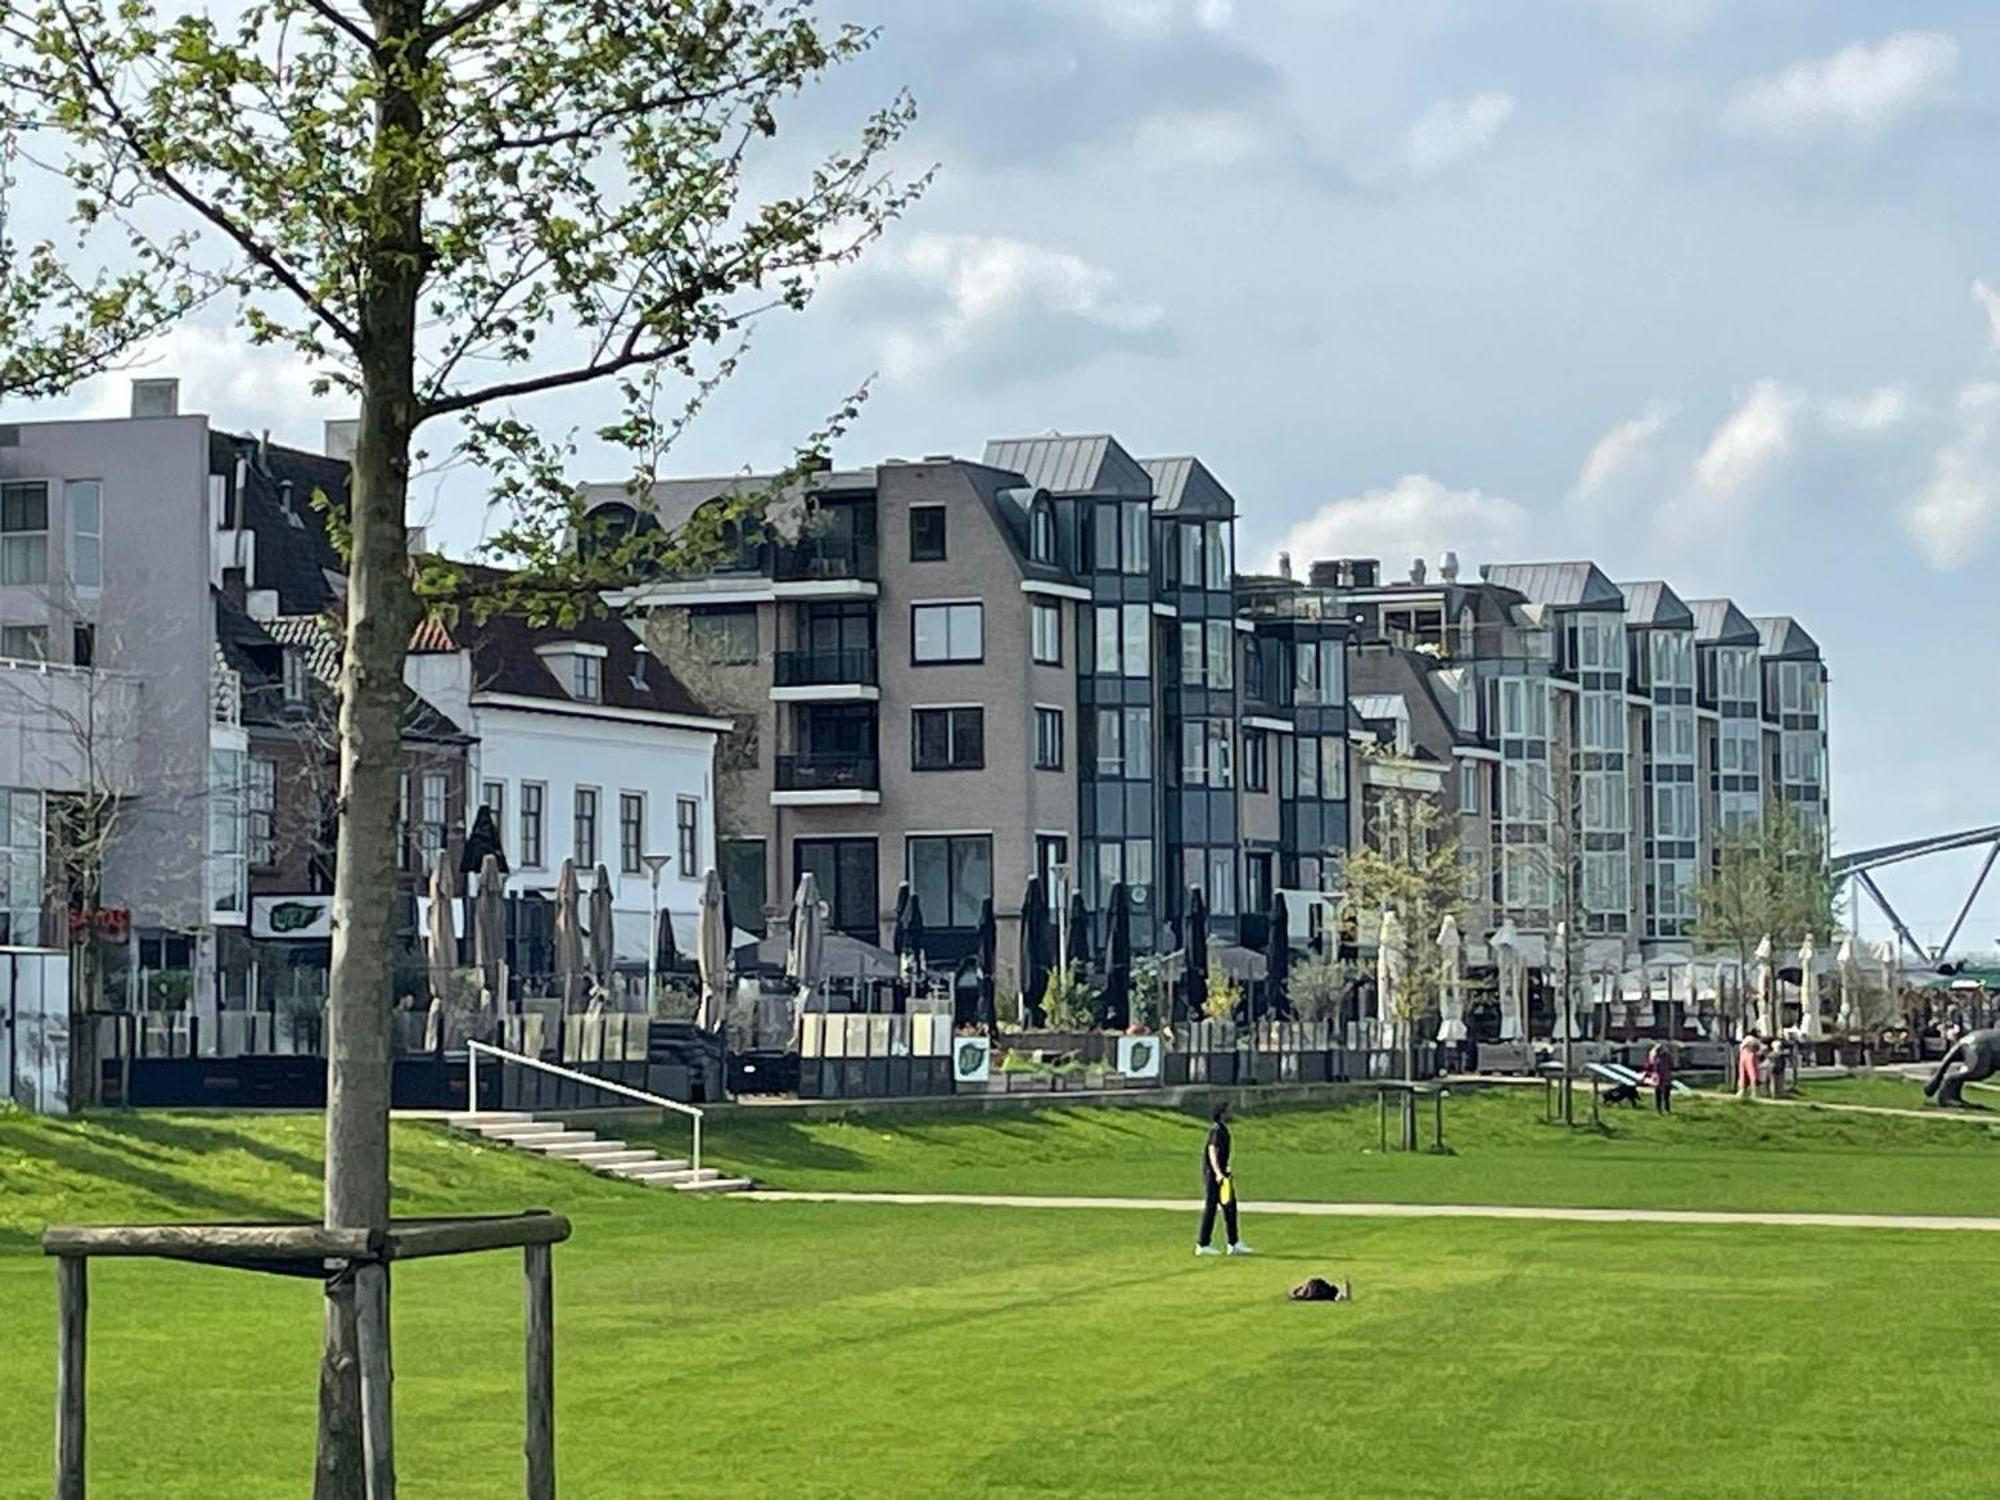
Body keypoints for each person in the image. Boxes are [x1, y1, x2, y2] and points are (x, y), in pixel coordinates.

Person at [1196, 1102, 1252, 1257]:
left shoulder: (1223, 1130)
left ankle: (1233, 1243)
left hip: (1222, 1175)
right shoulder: (1217, 1131)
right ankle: (1202, 1244)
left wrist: (1226, 1169)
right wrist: (1218, 1173)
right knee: (1211, 1207)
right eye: (1227, 1111)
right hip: (1214, 1176)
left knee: (1230, 1208)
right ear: (1221, 1114)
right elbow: (1212, 1151)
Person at [1642, 1041, 1675, 1114]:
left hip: (1665, 1077)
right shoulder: (1654, 1056)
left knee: (1666, 1095)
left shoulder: (1667, 1056)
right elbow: (1649, 1066)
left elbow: (1671, 1065)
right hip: (1658, 1078)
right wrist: (1645, 1075)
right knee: (1658, 1094)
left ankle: (1667, 1109)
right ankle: (1659, 1109)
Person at [1736, 1031, 1764, 1098]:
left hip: (1743, 1055)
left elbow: (1741, 1047)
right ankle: (1754, 1092)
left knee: (1742, 1074)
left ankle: (1741, 1091)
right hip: (1751, 1055)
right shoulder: (1756, 1040)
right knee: (1752, 1073)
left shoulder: (1746, 1039)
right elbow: (1762, 1048)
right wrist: (1758, 1054)